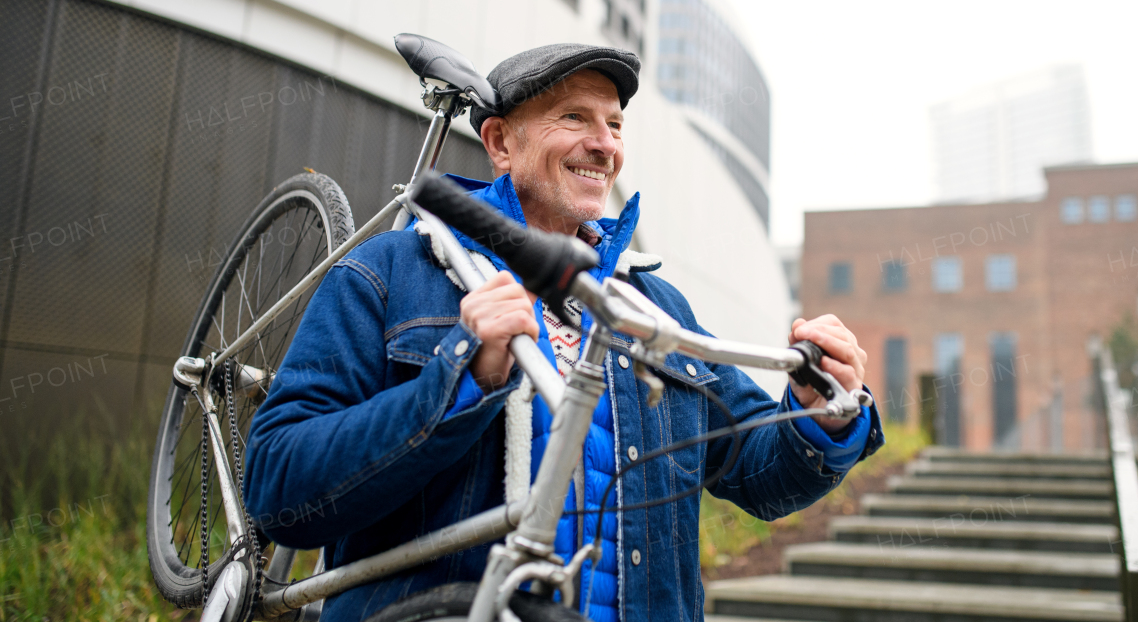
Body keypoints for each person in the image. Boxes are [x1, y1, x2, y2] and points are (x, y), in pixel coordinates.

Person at [244, 44, 884, 622]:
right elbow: (279, 487)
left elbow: (756, 473)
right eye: (574, 118)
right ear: (500, 143)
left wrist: (819, 414)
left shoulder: (656, 308)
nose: (604, 144)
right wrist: (462, 374)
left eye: (614, 125)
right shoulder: (389, 272)